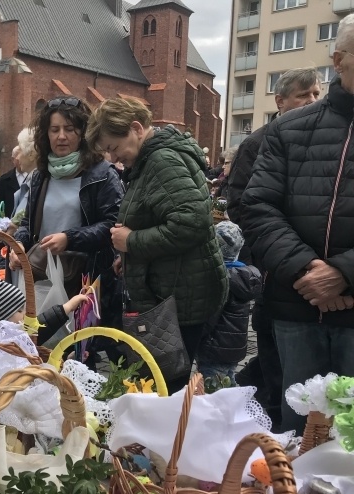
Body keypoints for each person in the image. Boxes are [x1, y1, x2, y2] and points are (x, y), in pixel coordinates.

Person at [241, 18, 354, 433]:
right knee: (298, 432)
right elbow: (256, 207)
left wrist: (343, 273)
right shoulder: (290, 129)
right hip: (296, 309)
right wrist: (309, 271)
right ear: (340, 60)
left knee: (350, 441)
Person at [87, 97, 228, 393]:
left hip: (180, 295)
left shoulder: (161, 161)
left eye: (113, 147)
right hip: (177, 290)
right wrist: (130, 256)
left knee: (168, 385)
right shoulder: (151, 160)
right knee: (165, 381)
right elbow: (162, 215)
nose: (113, 158)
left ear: (136, 128)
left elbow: (192, 223)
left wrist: (132, 241)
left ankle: (171, 438)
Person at [226, 67, 321, 426]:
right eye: (303, 95)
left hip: (318, 271)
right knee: (273, 346)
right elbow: (241, 206)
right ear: (280, 101)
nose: (312, 101)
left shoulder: (325, 135)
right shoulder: (258, 143)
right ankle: (274, 417)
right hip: (272, 266)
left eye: (315, 94)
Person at [12, 96, 124, 299]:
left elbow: (113, 226)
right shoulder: (40, 175)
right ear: (46, 135)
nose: (61, 136)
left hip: (85, 281)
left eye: (70, 129)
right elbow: (28, 223)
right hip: (42, 278)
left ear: (83, 133)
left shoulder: (103, 174)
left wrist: (69, 238)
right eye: (54, 130)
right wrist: (19, 244)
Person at [196, 221, 262, 386]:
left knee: (213, 390)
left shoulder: (218, 280)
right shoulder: (244, 277)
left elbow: (210, 317)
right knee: (229, 382)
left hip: (213, 347)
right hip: (234, 348)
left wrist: (196, 337)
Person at [0, 278, 90, 346]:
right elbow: (37, 331)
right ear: (1, 317)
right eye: (20, 310)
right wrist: (66, 307)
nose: (25, 314)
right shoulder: (2, 334)